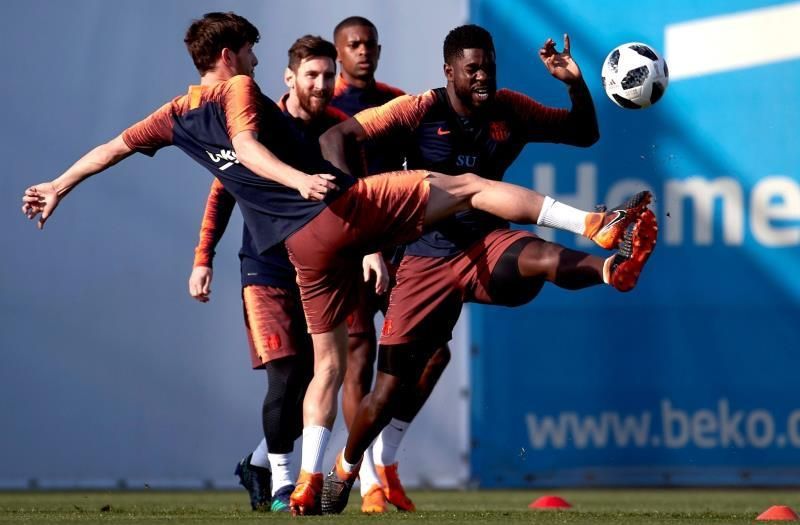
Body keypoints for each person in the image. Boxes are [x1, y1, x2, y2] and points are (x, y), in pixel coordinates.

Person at [21, 12, 654, 516]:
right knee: (464, 187)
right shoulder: (238, 88)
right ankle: (592, 224)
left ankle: (307, 483)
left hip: (301, 251)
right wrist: (299, 181)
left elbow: (112, 147)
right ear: (228, 57)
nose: (256, 64)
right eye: (251, 53)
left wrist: (57, 185)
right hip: (335, 216)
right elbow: (248, 146)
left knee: (325, 366)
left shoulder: (172, 114)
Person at [317, 24, 658, 514]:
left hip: (488, 244)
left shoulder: (510, 109)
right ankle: (347, 467)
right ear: (449, 71)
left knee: (542, 255)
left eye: (489, 67)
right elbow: (335, 137)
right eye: (473, 69)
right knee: (388, 388)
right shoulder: (418, 109)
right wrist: (357, 205)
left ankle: (610, 268)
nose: (483, 77)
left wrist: (574, 84)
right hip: (426, 259)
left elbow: (584, 134)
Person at [187, 35, 346, 513]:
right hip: (266, 267)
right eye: (311, 75)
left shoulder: (340, 130)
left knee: (311, 381)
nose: (320, 84)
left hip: (319, 270)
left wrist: (371, 249)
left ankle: (257, 462)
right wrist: (203, 258)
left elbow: (355, 192)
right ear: (290, 78)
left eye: (328, 75)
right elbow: (222, 193)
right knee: (285, 374)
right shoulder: (255, 122)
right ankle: (282, 486)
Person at [328, 15, 436, 513]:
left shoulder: (398, 103)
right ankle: (367, 480)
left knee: (433, 353)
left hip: (399, 247)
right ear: (339, 52)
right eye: (353, 44)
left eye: (370, 44)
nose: (363, 51)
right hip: (350, 248)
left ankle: (385, 458)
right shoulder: (324, 108)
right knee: (358, 357)